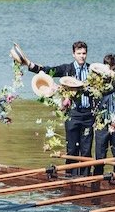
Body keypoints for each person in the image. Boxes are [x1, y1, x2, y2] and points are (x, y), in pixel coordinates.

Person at [26, 41, 94, 176]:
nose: (82, 56)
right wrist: (30, 65)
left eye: (84, 53)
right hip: (72, 114)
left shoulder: (92, 70)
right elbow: (48, 71)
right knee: (72, 149)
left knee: (86, 151)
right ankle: (70, 177)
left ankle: (85, 178)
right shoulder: (67, 69)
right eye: (79, 53)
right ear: (73, 54)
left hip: (88, 115)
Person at [92, 53, 115, 176]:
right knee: (100, 153)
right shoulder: (97, 83)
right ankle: (97, 177)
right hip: (102, 122)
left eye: (112, 68)